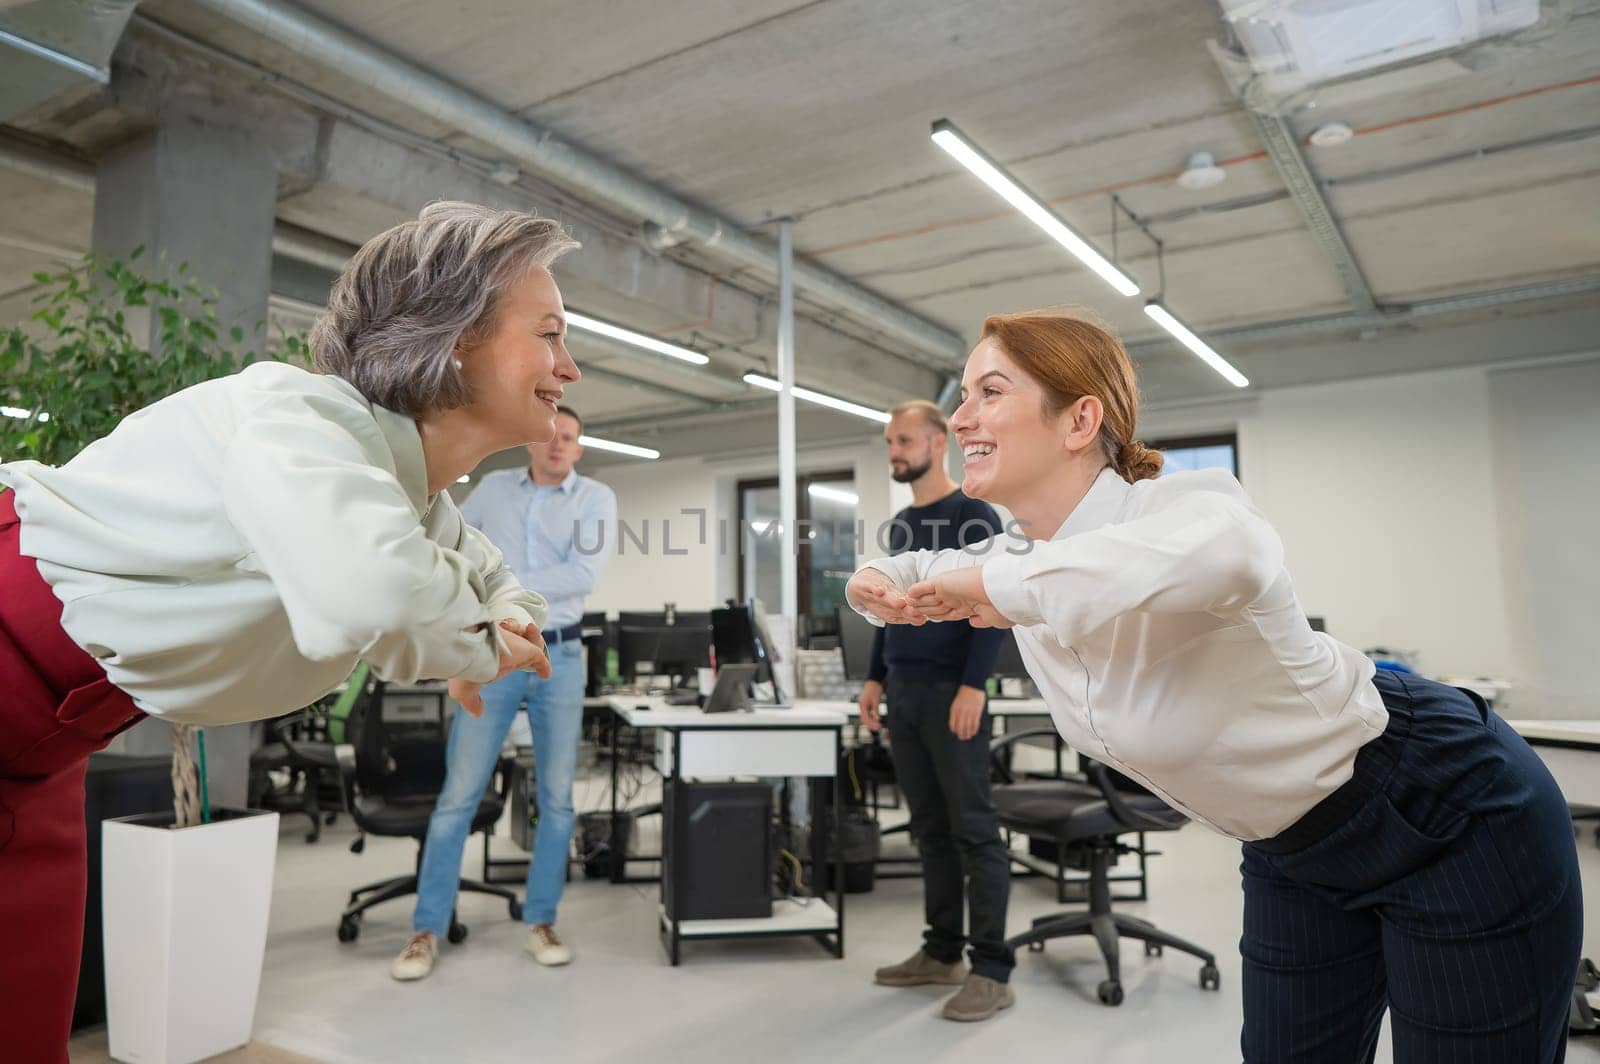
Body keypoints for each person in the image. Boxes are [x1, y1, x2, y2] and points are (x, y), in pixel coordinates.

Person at [847, 309, 1581, 1062]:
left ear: (1079, 421)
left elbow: (1234, 557)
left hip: (1441, 801)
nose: (962, 415)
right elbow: (913, 569)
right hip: (1287, 847)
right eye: (961, 395)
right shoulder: (1017, 550)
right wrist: (873, 580)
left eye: (988, 392)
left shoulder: (1182, 503)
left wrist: (997, 585)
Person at [0, 201, 581, 1062]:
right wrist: (487, 647)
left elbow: (500, 583)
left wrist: (501, 627)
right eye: (549, 333)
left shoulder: (416, 494)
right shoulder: (298, 421)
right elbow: (377, 593)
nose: (569, 368)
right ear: (458, 335)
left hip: (56, 736)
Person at [393, 405, 615, 980]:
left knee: (559, 800)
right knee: (458, 795)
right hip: (490, 654)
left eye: (571, 438)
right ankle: (426, 929)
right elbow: (452, 551)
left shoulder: (595, 500)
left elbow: (581, 578)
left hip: (560, 656)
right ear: (535, 440)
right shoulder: (493, 490)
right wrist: (489, 587)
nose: (559, 445)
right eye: (552, 435)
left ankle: (541, 920)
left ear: (579, 448)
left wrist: (501, 583)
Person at [859, 399, 1014, 1022]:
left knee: (974, 828)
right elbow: (884, 604)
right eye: (889, 442)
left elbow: (990, 600)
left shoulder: (973, 513)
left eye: (902, 440)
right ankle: (941, 951)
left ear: (936, 441)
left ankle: (993, 969)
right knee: (930, 830)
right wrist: (874, 678)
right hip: (905, 691)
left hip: (955, 693)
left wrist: (976, 685)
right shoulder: (900, 524)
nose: (894, 451)